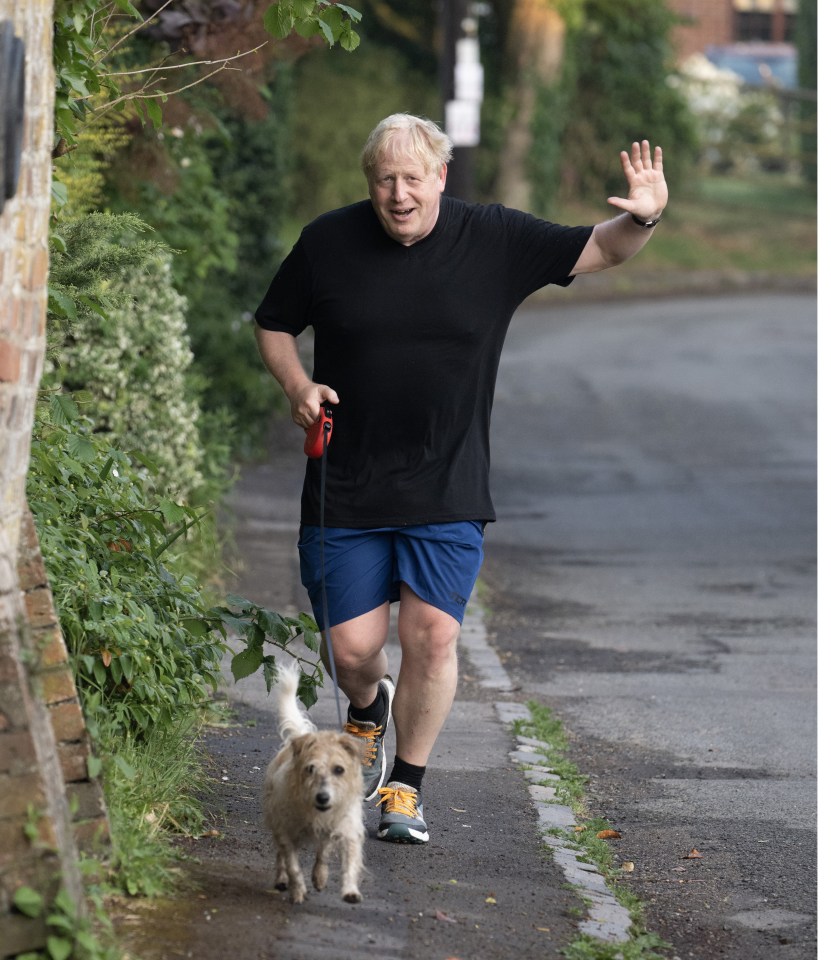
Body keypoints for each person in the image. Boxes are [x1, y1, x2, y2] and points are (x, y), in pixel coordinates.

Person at [254, 113, 668, 845]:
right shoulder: (328, 241)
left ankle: (404, 790)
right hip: (346, 481)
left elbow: (602, 248)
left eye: (413, 177)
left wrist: (646, 216)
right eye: (384, 179)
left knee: (434, 636)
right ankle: (364, 713)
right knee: (352, 652)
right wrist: (297, 387)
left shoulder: (495, 238)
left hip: (447, 479)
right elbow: (274, 322)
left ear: (440, 176)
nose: (399, 193)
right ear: (368, 183)